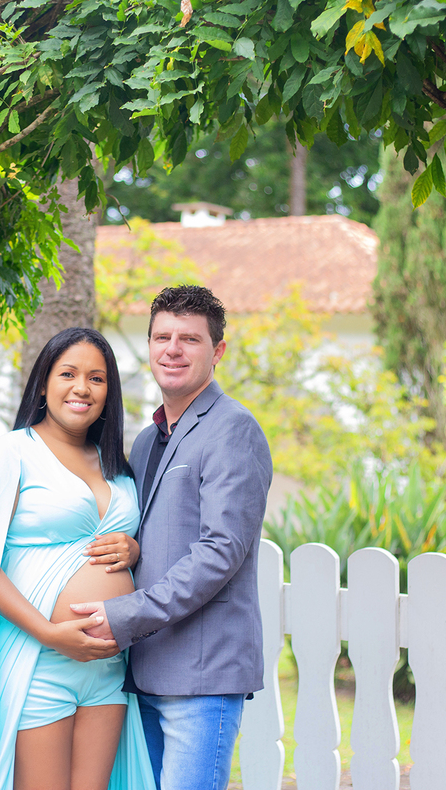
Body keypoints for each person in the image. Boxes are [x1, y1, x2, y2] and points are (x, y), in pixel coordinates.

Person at [0, 327, 156, 790]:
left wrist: (133, 548)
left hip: (108, 670)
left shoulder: (116, 465)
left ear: (109, 393)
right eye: (68, 374)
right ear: (43, 384)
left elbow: (125, 540)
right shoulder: (12, 453)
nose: (82, 388)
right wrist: (51, 632)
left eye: (97, 378)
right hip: (40, 663)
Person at [71, 286, 273, 790]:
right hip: (143, 672)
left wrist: (124, 616)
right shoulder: (146, 439)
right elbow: (152, 532)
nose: (173, 349)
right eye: (162, 336)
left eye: (190, 339)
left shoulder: (233, 429)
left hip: (203, 677)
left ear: (217, 351)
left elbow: (220, 551)